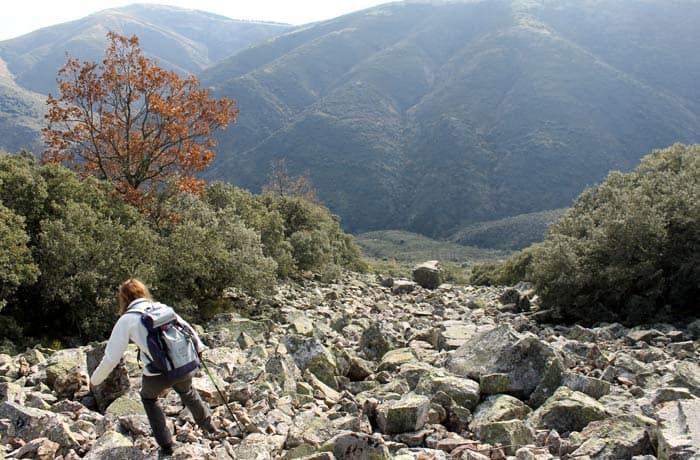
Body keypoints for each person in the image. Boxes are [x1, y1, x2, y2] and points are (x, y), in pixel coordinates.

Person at [90, 278, 222, 457]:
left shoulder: (126, 320)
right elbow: (188, 330)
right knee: (188, 391)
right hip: (182, 365)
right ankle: (210, 428)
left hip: (157, 373)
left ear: (123, 298)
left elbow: (111, 357)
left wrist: (95, 381)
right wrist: (199, 352)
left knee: (149, 398)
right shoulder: (162, 308)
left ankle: (167, 445)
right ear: (143, 292)